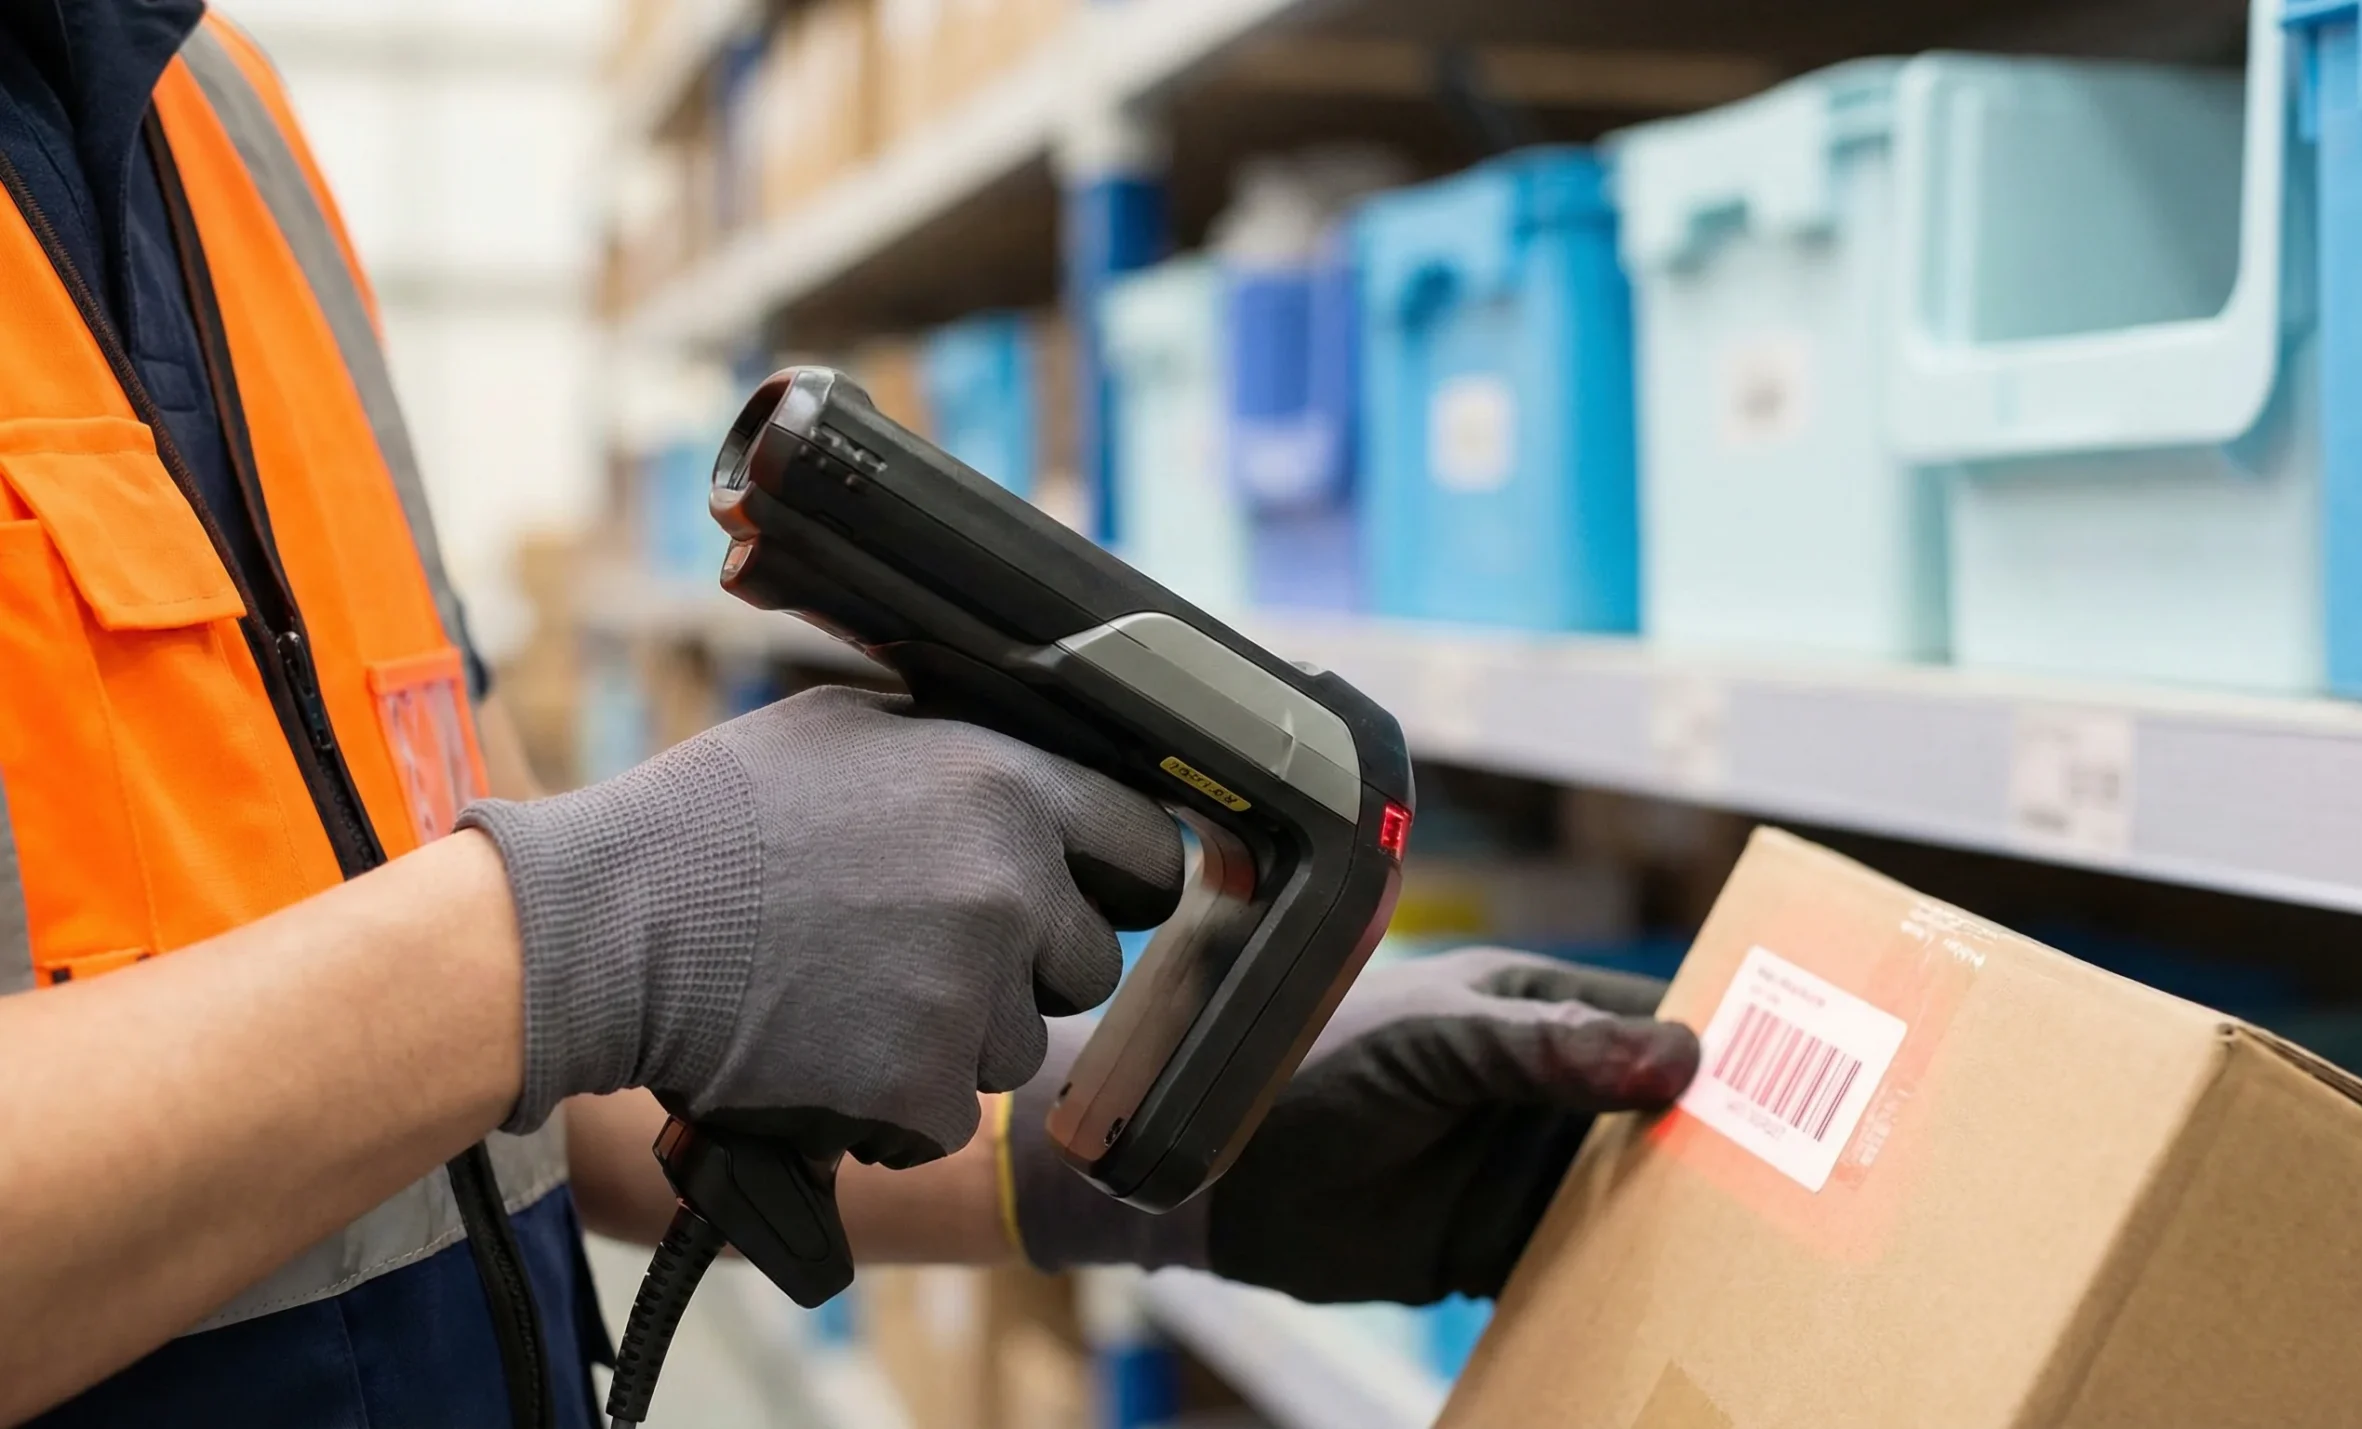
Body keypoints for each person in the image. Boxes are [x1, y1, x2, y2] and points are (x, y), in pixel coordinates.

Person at [0, 4, 1703, 1425]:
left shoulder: (210, 111)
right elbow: (553, 974)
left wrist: (1126, 1156)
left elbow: (511, 1089)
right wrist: (600, 924)